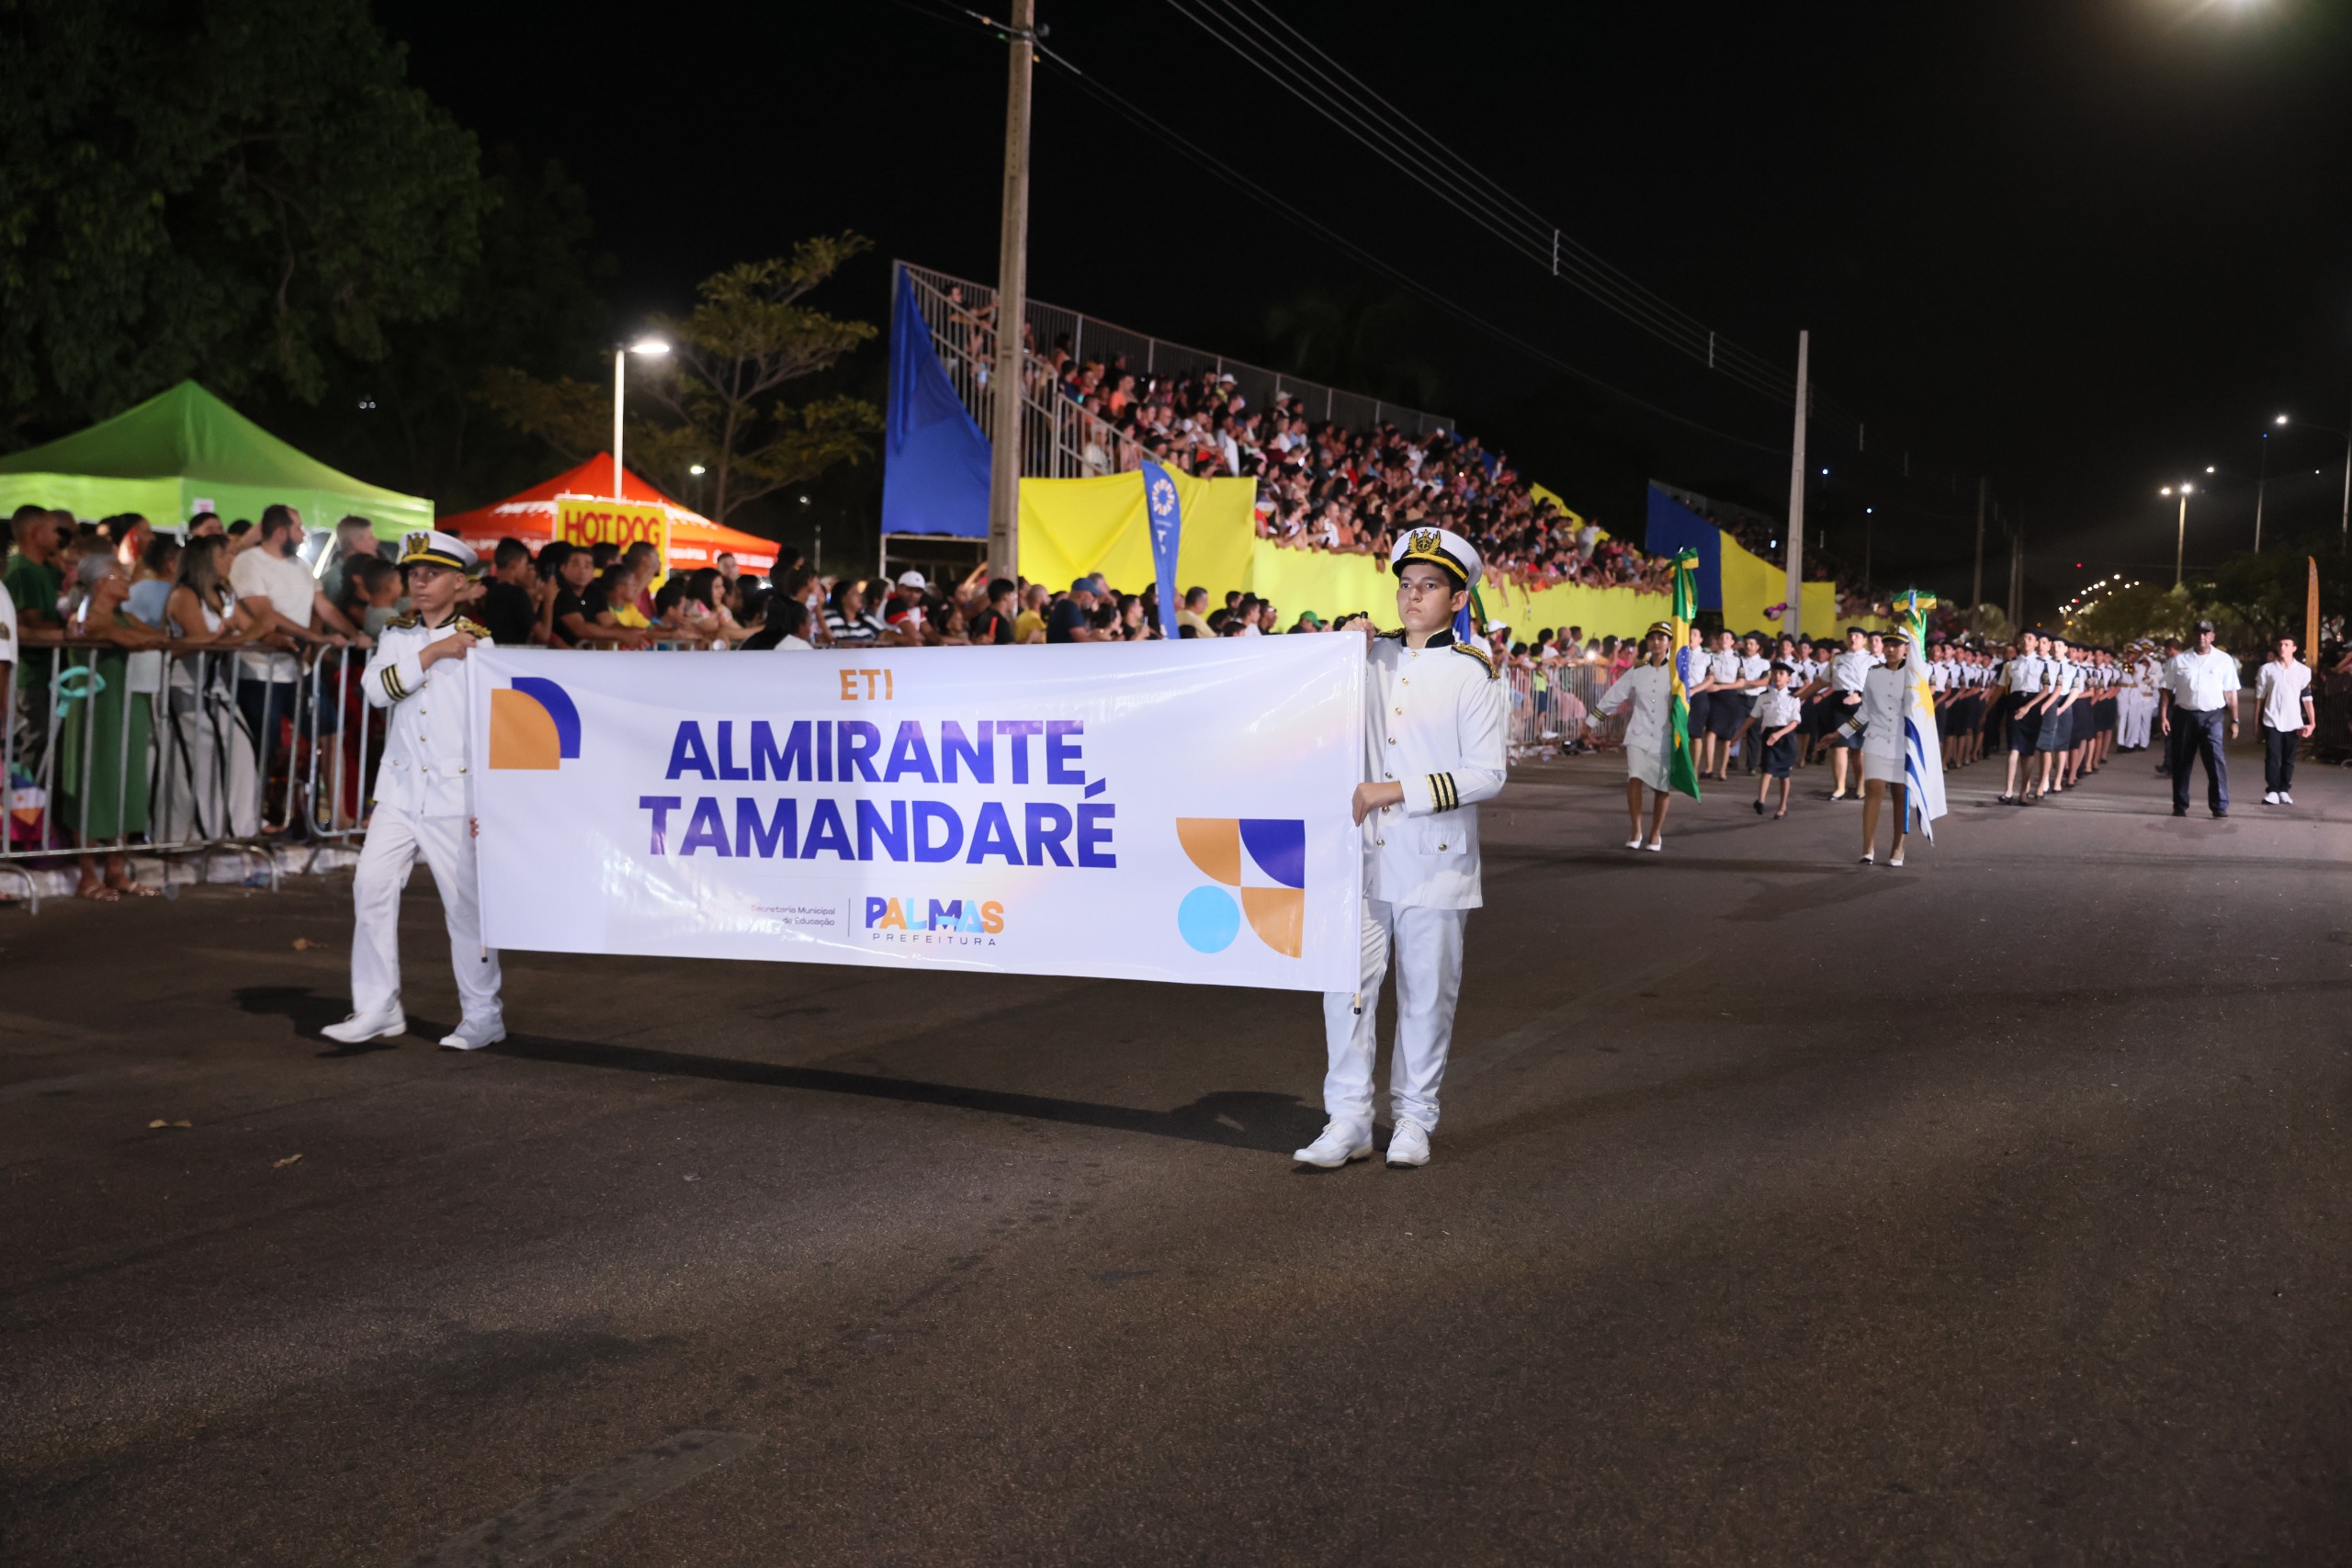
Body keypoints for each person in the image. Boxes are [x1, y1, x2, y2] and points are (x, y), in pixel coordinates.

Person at [1295, 526, 1505, 1172]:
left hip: (1435, 858)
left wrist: (1397, 789)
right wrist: (1338, 647)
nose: (1413, 597)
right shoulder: (1368, 657)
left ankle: (1414, 1117)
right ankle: (1350, 1118)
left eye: (1430, 586)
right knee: (1346, 986)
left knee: (1426, 991)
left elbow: (1488, 773)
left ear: (1457, 595)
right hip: (1361, 856)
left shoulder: (1473, 673)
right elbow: (1307, 702)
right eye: (1407, 584)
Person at [322, 531, 504, 1051]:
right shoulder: (398, 634)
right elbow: (376, 691)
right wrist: (433, 654)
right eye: (413, 574)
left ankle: (482, 1013)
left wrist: (488, 800)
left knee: (465, 909)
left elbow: (492, 725)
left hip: (457, 791)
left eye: (432, 574)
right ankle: (377, 1006)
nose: (420, 583)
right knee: (371, 886)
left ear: (459, 582)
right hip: (400, 789)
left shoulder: (480, 644)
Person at [229, 503, 367, 767]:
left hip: (297, 670)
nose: (304, 535)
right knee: (262, 750)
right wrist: (315, 638)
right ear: (281, 532)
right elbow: (266, 615)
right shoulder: (248, 562)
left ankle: (338, 810)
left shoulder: (301, 565)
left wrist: (354, 633)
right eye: (299, 528)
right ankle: (256, 807)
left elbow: (324, 607)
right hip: (259, 672)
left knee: (330, 731)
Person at [1589, 621, 1680, 851]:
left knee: (1661, 786)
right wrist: (1592, 720)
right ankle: (1636, 829)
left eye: (1661, 638)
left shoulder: (1677, 672)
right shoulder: (1638, 670)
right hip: (1638, 734)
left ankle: (1656, 832)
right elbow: (1615, 694)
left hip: (1664, 735)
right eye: (1652, 638)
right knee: (1635, 779)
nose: (1656, 642)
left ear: (1670, 642)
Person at [1836, 625, 1917, 866]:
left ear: (1906, 649)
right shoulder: (1873, 673)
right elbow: (1865, 711)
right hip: (1877, 740)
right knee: (1874, 792)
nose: (1890, 649)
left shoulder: (1914, 676)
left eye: (1896, 645)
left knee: (1900, 796)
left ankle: (1897, 847)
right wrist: (1839, 733)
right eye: (1887, 644)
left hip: (1903, 743)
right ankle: (1867, 847)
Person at [2160, 618, 2239, 819]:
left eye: (2206, 633)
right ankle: (2180, 804)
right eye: (2198, 633)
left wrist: (2235, 720)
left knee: (2215, 761)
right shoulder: (2179, 661)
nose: (2202, 637)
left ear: (2212, 636)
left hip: (2212, 717)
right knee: (2181, 762)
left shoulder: (2224, 660)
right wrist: (2163, 716)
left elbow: (2230, 693)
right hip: (2184, 716)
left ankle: (2219, 805)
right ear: (2193, 636)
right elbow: (2167, 690)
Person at [2255, 632, 2314, 807]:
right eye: (2280, 644)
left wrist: (2312, 723)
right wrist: (2255, 721)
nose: (2282, 648)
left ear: (2294, 648)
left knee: (2289, 758)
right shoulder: (2267, 669)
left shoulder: (2303, 671)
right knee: (2272, 756)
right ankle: (2272, 790)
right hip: (2271, 719)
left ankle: (2284, 790)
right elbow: (2259, 696)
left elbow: (2307, 698)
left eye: (2287, 645)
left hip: (2293, 720)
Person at [1753, 661, 1804, 819]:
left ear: (1789, 679)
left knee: (1784, 774)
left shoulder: (1793, 699)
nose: (1777, 676)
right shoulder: (1764, 697)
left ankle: (1782, 806)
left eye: (1781, 674)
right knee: (1767, 768)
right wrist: (1737, 735)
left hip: (1785, 737)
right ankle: (1760, 800)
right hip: (1769, 735)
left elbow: (1795, 722)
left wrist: (1779, 734)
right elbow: (1752, 717)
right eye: (1775, 673)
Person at [1046, 579, 1097, 643]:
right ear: (1083, 594)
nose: (1094, 599)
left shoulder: (1066, 606)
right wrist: (1107, 645)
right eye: (1094, 595)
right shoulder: (1070, 607)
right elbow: (1080, 638)